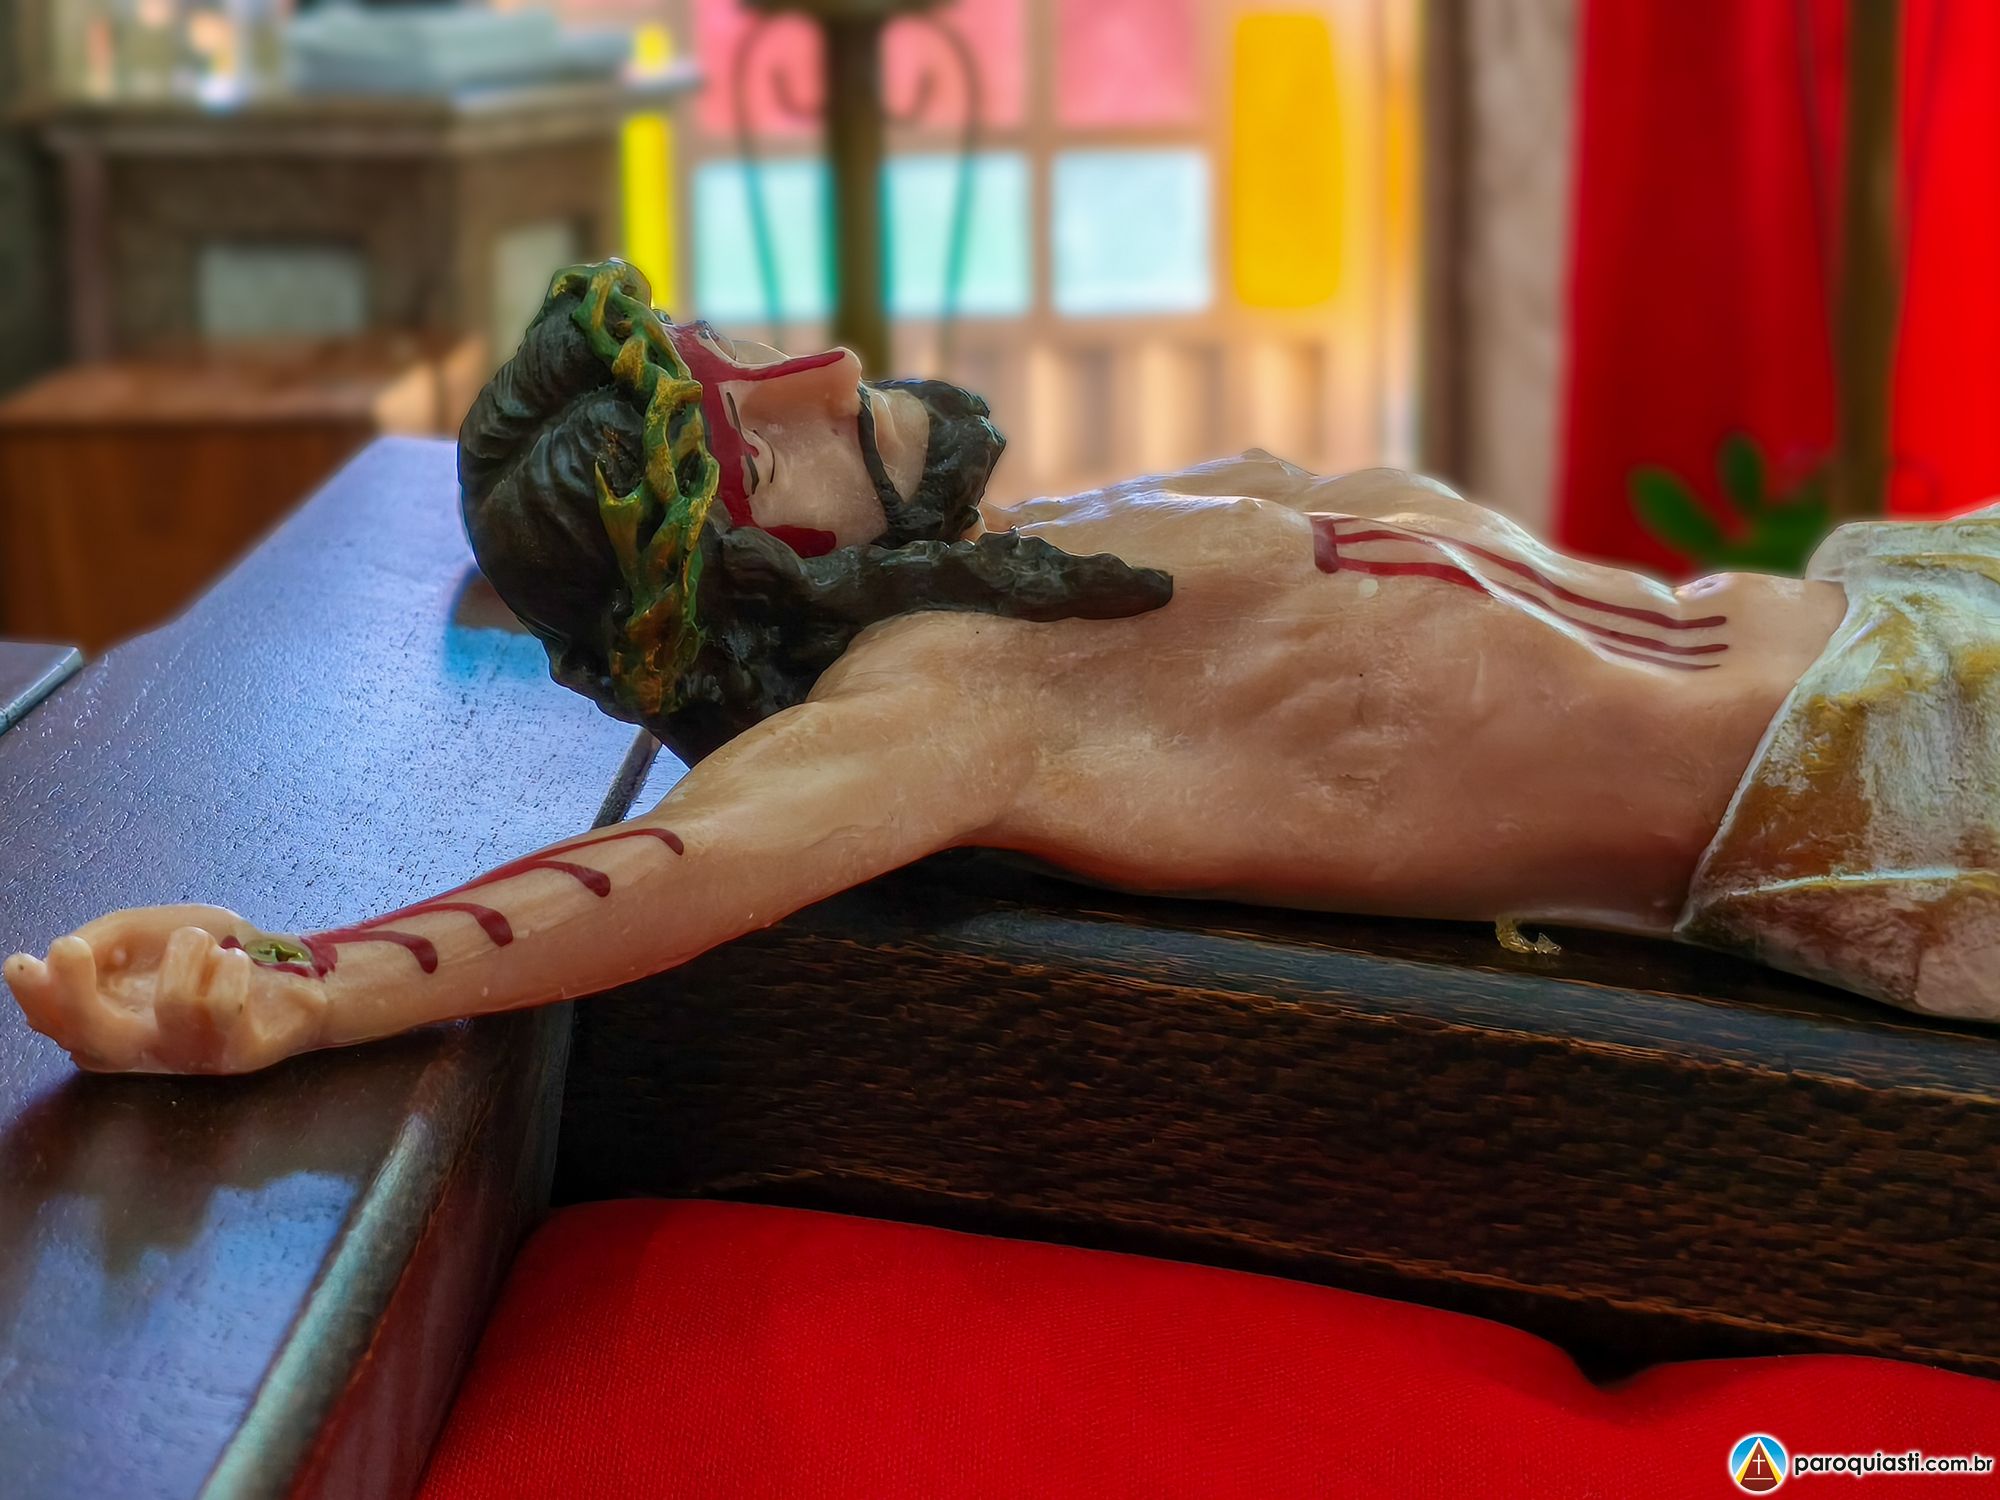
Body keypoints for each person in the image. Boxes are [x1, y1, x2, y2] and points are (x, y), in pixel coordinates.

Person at [7, 261, 1994, 1074]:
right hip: (1886, 790)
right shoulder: (953, 698)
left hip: (1892, 607)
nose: (825, 365)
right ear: (755, 572)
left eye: (743, 349)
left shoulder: (1075, 537)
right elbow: (667, 872)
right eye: (761, 429)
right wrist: (295, 983)